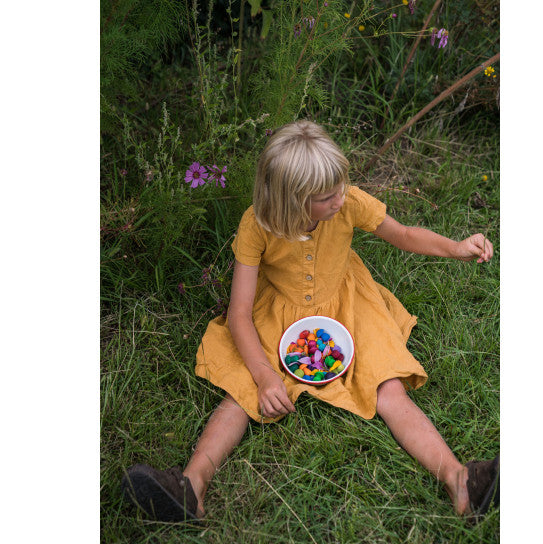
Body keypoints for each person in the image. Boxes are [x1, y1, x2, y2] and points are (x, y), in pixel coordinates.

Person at [122, 120, 499, 522]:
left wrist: (455, 248)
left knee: (388, 388)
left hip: (349, 306)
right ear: (290, 201)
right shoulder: (257, 225)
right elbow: (239, 313)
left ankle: (461, 481)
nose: (339, 199)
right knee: (242, 394)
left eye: (340, 187)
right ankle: (190, 487)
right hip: (279, 314)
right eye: (326, 196)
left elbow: (404, 234)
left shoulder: (348, 201)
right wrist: (265, 376)